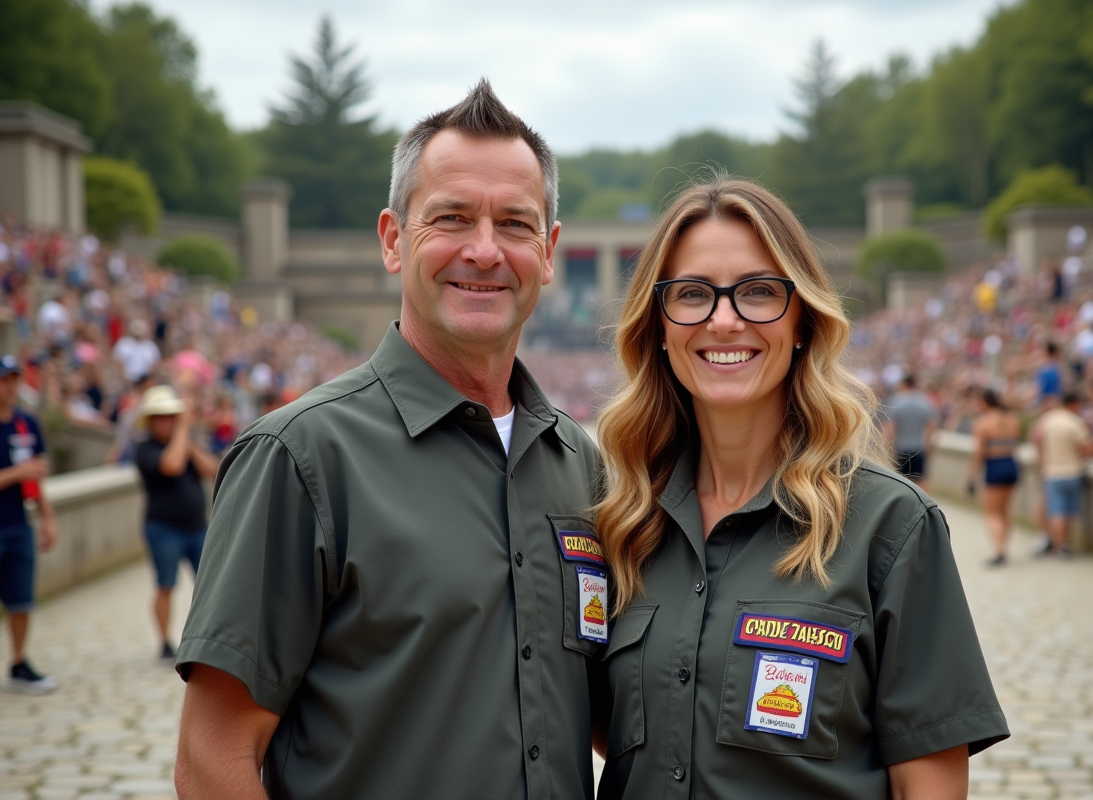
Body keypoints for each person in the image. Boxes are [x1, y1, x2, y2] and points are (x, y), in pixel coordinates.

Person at [173, 80, 602, 799]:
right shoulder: (299, 459)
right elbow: (212, 758)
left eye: (515, 224)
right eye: (452, 218)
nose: (485, 251)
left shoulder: (579, 465)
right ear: (394, 240)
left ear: (550, 251)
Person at [593, 178, 1008, 800]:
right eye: (692, 294)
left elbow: (930, 786)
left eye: (759, 291)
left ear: (803, 322)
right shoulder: (620, 521)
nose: (724, 319)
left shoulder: (891, 526)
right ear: (658, 325)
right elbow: (616, 731)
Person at [134, 385, 219, 662]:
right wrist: (184, 429)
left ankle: (210, 639)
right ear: (151, 420)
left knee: (211, 585)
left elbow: (213, 470)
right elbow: (172, 465)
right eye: (162, 416)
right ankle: (164, 643)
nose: (168, 422)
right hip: (164, 528)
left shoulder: (186, 444)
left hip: (197, 527)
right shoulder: (145, 448)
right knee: (166, 584)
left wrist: (189, 440)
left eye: (172, 416)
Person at [0, 355, 58, 693]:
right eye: (4, 380)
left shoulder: (26, 424)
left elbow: (35, 478)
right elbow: (25, 472)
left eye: (13, 380)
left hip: (20, 524)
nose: (10, 387)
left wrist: (48, 518)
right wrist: (17, 473)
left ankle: (19, 661)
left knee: (21, 601)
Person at [1034, 392, 1093, 558]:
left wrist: (1041, 463)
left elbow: (1037, 441)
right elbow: (1087, 448)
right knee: (1068, 512)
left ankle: (1058, 543)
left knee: (1056, 511)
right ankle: (1063, 544)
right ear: (1074, 404)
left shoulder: (1048, 419)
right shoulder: (1075, 422)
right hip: (1072, 471)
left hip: (1052, 472)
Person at [968, 389, 1021, 566]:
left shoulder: (983, 423)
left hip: (994, 465)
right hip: (1011, 463)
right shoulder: (1012, 419)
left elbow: (978, 453)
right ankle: (1004, 546)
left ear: (985, 402)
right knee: (1005, 510)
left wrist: (971, 476)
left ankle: (999, 551)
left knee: (992, 512)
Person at [883, 374, 937, 489]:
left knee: (899, 482)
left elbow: (890, 429)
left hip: (901, 449)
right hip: (918, 449)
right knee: (920, 481)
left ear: (904, 384)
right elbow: (931, 427)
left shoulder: (897, 401)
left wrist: (886, 447)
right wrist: (929, 446)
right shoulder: (925, 402)